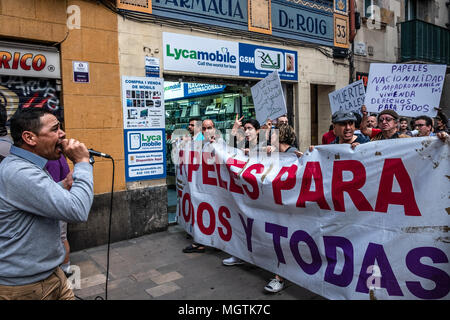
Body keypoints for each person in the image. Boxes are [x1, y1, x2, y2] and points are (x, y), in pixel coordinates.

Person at [0, 107, 93, 300]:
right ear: (30, 138)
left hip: (51, 273)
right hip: (24, 287)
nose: (63, 134)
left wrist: (63, 184)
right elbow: (77, 210)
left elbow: (31, 199)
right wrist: (83, 162)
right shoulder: (20, 172)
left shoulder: (29, 165)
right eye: (55, 129)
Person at [182, 119, 216, 253]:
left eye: (210, 128)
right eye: (204, 128)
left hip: (212, 187)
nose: (207, 131)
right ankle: (201, 240)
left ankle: (203, 241)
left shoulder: (219, 143)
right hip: (202, 185)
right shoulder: (201, 142)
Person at [45, 154, 73, 278]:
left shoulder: (47, 159)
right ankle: (65, 267)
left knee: (60, 237)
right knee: (62, 237)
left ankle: (65, 269)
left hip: (53, 201)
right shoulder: (60, 157)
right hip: (61, 199)